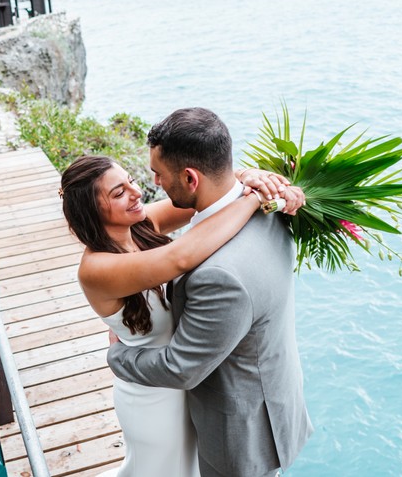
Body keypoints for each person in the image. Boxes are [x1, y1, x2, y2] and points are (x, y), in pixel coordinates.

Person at [60, 150, 304, 477]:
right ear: (91, 210)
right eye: (118, 193)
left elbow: (205, 194)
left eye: (131, 182)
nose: (137, 194)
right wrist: (250, 200)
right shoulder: (96, 268)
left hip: (187, 381)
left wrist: (248, 177)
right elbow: (181, 257)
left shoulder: (142, 224)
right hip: (152, 391)